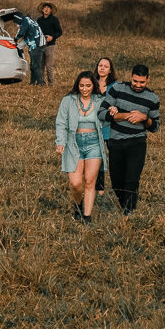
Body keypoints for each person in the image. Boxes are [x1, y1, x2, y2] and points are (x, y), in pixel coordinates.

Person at [97, 64, 160, 215]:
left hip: (137, 142)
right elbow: (101, 113)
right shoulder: (118, 89)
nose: (138, 85)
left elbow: (155, 127)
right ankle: (125, 206)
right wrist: (121, 116)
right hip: (116, 141)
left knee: (131, 179)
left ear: (148, 80)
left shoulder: (153, 98)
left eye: (142, 82)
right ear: (131, 77)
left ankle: (129, 212)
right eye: (135, 81)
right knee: (117, 181)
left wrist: (144, 118)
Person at [55, 71, 108, 223]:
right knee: (76, 183)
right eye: (82, 86)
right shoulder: (68, 100)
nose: (85, 89)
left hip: (94, 143)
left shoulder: (100, 101)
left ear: (94, 86)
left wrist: (112, 112)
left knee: (90, 181)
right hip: (74, 143)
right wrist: (60, 141)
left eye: (88, 86)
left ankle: (87, 216)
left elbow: (106, 122)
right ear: (77, 86)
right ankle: (78, 204)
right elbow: (61, 122)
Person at [93, 56, 117, 192]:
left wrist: (115, 108)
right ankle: (99, 188)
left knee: (113, 157)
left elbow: (118, 103)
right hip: (95, 126)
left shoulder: (115, 86)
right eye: (100, 65)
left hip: (110, 127)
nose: (102, 68)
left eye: (105, 66)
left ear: (110, 70)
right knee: (98, 157)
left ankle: (117, 186)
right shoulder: (91, 82)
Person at [4, 11, 45, 85]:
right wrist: (18, 46)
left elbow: (21, 33)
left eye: (16, 22)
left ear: (18, 19)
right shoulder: (29, 20)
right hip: (36, 45)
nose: (17, 25)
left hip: (37, 45)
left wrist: (15, 39)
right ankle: (32, 82)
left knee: (36, 65)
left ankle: (41, 83)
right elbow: (26, 37)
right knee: (33, 65)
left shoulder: (25, 21)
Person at [36, 2, 63, 85]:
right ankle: (41, 82)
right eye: (45, 8)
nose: (46, 9)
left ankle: (51, 83)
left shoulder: (54, 20)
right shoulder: (39, 20)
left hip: (50, 45)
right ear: (42, 10)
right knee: (40, 65)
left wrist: (52, 37)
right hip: (40, 45)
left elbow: (59, 32)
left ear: (51, 10)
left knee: (49, 65)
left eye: (48, 8)